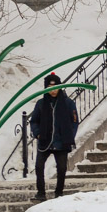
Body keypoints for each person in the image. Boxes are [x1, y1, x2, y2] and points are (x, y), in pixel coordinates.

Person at [28, 73, 79, 201]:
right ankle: (41, 192)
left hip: (62, 142)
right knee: (39, 167)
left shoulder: (68, 103)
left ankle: (59, 192)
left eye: (56, 87)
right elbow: (34, 121)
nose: (53, 90)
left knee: (61, 168)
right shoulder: (41, 104)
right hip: (45, 141)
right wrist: (38, 133)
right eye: (50, 88)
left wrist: (69, 136)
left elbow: (74, 121)